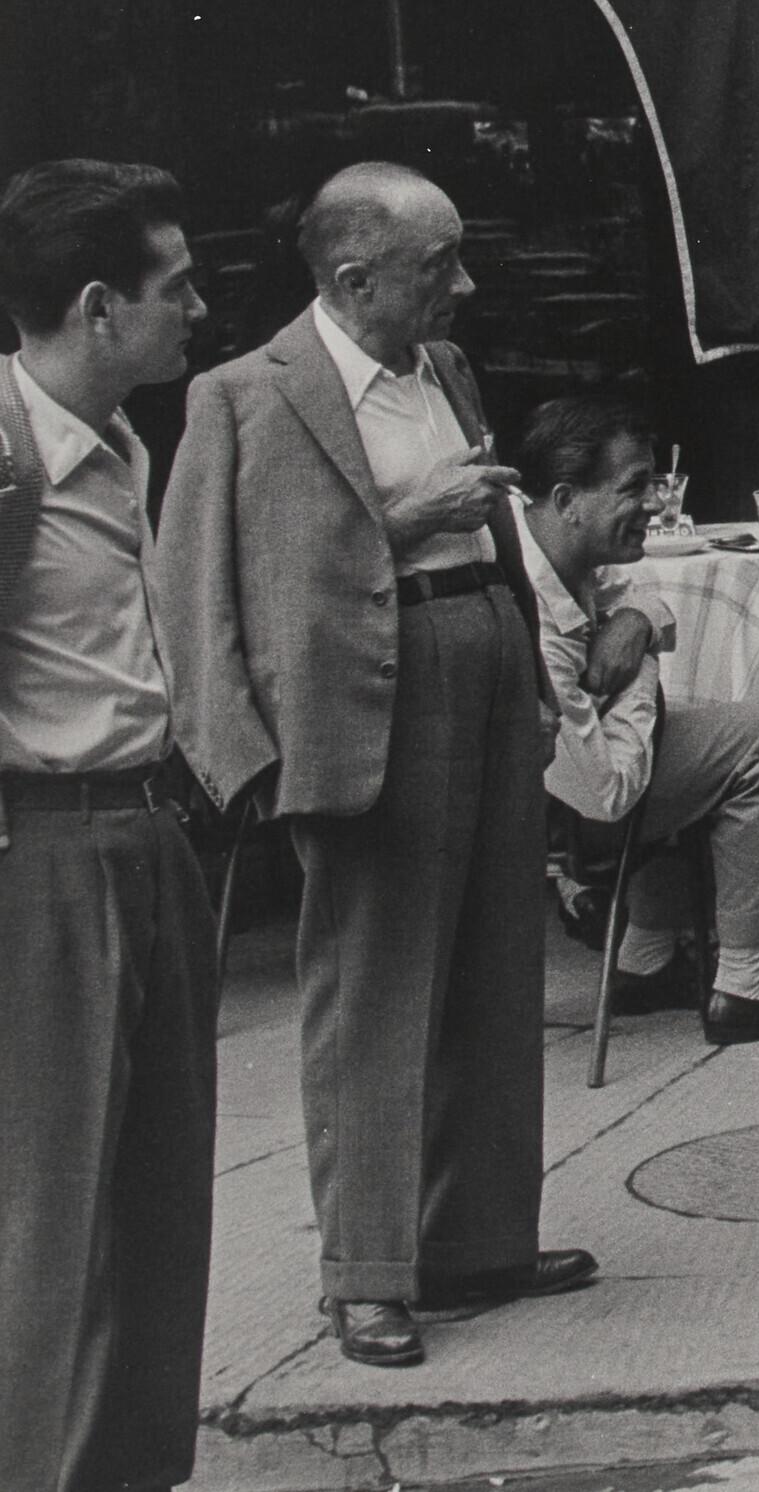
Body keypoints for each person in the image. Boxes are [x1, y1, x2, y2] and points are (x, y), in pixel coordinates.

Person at [157, 162, 589, 1368]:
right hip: (363, 696)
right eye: (438, 265)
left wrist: (539, 680)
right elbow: (195, 588)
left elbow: (493, 528)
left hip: (483, 661)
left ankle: (481, 1240)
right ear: (353, 278)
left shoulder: (442, 368)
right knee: (372, 993)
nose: (466, 282)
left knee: (497, 965)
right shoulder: (242, 397)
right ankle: (366, 1275)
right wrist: (238, 760)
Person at [0, 161, 216, 1492]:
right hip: (46, 862)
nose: (199, 305)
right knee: (54, 1225)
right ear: (97, 308)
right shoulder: (7, 461)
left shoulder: (122, 443)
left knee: (153, 1212)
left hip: (146, 841)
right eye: (175, 285)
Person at [508, 395, 759, 1044]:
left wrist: (635, 622)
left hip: (581, 769)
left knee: (704, 736)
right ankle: (748, 987)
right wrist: (638, 668)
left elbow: (641, 597)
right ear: (566, 499)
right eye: (634, 487)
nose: (654, 504)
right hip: (568, 818)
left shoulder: (544, 542)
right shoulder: (539, 621)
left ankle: (646, 957)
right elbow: (606, 797)